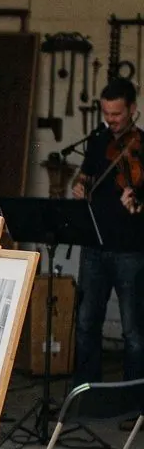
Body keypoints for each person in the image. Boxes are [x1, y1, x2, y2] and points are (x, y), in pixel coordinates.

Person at [72, 77, 144, 383]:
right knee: (86, 324)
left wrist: (138, 202)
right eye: (106, 113)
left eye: (117, 114)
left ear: (133, 110)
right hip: (94, 245)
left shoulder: (142, 145)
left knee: (134, 331)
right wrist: (80, 185)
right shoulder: (97, 141)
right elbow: (85, 175)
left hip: (131, 250)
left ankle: (133, 397)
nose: (111, 120)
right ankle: (88, 392)